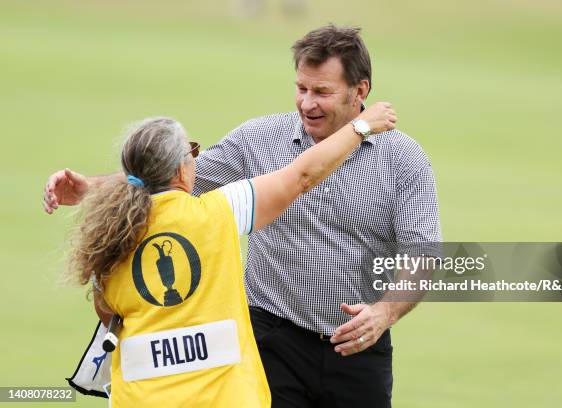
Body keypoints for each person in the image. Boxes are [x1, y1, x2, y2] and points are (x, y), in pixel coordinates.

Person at [44, 25, 440, 407]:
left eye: (322, 91)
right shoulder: (258, 139)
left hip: (360, 348)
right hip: (271, 341)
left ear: (361, 91)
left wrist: (384, 312)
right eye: (301, 88)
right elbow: (165, 174)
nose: (306, 102)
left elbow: (424, 254)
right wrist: (90, 189)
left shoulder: (404, 160)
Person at [63, 105, 396, 406]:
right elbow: (301, 176)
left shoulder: (108, 238)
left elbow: (108, 314)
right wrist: (360, 128)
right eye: (192, 152)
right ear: (181, 170)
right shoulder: (219, 211)